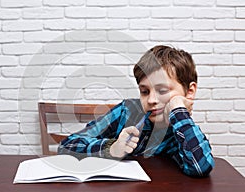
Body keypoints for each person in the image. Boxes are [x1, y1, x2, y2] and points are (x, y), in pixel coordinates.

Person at [58, 45, 214, 177]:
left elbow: (200, 168)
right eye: (145, 92)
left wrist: (179, 110)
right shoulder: (127, 111)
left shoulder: (183, 129)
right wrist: (111, 149)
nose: (151, 100)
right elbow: (66, 147)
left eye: (163, 90)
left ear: (190, 91)